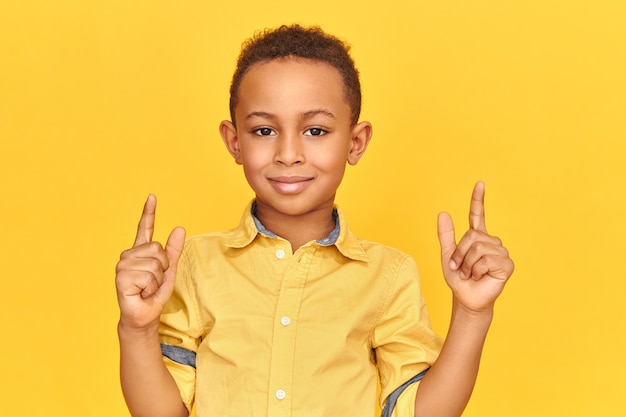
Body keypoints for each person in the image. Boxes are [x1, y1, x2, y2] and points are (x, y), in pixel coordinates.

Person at [115, 25, 514, 417]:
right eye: (264, 130)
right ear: (235, 141)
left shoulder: (389, 276)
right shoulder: (194, 265)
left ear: (355, 143)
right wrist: (137, 329)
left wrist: (472, 313)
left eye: (316, 130)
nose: (288, 153)